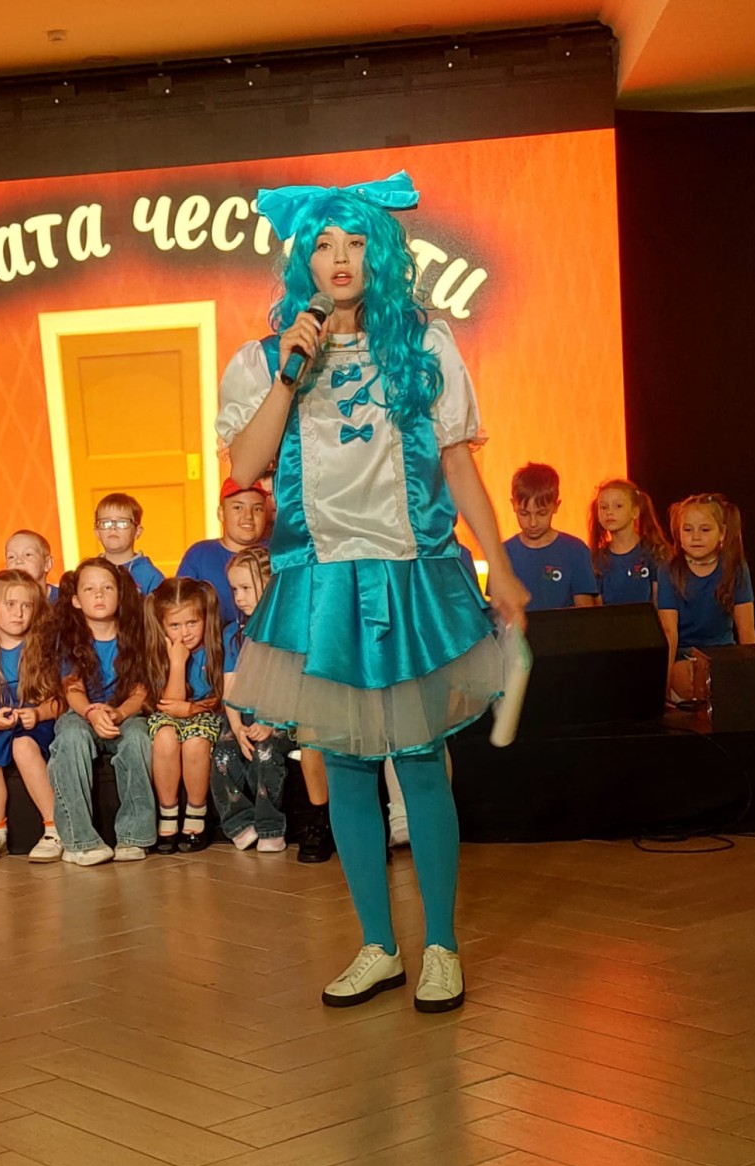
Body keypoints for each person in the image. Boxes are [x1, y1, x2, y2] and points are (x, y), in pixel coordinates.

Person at [217, 173, 528, 1013]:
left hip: (409, 572)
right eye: (324, 244)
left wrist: (499, 564)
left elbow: (457, 461)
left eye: (356, 242)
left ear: (379, 254)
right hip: (321, 584)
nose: (341, 258)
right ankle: (378, 946)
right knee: (347, 767)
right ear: (304, 262)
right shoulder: (266, 359)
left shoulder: (424, 344)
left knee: (420, 762)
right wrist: (290, 374)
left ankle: (441, 947)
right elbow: (244, 467)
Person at [48, 558, 153, 866]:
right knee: (70, 737)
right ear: (76, 600)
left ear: (120, 594)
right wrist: (93, 713)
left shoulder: (137, 635)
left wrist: (118, 714)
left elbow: (141, 691)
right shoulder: (69, 638)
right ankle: (79, 841)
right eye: (89, 589)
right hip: (83, 712)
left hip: (125, 710)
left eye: (107, 588)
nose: (99, 594)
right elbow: (72, 689)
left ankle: (134, 836)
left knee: (138, 738)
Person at [0, 571, 63, 863]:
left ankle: (54, 827)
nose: (19, 613)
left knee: (23, 746)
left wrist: (38, 713)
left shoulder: (44, 647)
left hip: (37, 721)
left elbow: (61, 701)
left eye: (26, 606)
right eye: (10, 604)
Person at [212, 548, 295, 852]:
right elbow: (231, 687)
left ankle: (270, 825)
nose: (239, 597)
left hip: (283, 714)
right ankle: (239, 822)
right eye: (234, 589)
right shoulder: (234, 633)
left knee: (265, 753)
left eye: (246, 588)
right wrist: (236, 726)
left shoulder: (287, 631)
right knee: (223, 755)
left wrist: (270, 722)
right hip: (244, 713)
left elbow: (292, 685)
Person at [144, 578, 224, 853]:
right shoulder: (160, 652)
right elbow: (170, 703)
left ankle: (196, 812)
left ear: (205, 619)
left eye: (192, 623)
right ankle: (168, 813)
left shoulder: (216, 647)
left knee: (196, 742)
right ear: (162, 626)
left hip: (206, 714)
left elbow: (220, 698)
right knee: (165, 738)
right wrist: (177, 662)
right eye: (175, 626)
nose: (185, 633)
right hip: (168, 714)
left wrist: (192, 709)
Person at [657, 493, 755, 701]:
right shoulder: (669, 570)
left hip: (723, 654)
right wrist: (662, 687)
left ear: (722, 533)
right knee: (691, 682)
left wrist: (754, 681)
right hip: (684, 655)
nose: (695, 537)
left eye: (705, 530)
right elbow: (668, 631)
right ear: (679, 533)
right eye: (688, 530)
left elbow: (746, 630)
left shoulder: (736, 568)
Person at [502, 463, 597, 609]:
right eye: (524, 513)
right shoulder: (503, 553)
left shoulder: (576, 551)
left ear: (556, 506)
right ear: (513, 505)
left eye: (542, 513)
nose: (533, 523)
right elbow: (498, 611)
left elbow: (584, 611)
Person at [177, 479, 267, 628]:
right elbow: (179, 610)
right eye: (238, 508)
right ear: (221, 513)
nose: (248, 516)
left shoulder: (278, 554)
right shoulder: (199, 555)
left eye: (257, 509)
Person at [587, 478, 671, 606]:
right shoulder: (596, 559)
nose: (609, 512)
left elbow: (660, 604)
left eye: (618, 506)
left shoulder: (655, 552)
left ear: (635, 512)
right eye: (603, 507)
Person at [94, 493, 164, 595]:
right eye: (105, 523)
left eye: (122, 523)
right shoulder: (89, 573)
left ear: (137, 531)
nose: (113, 528)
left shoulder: (150, 575)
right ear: (97, 532)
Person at [4, 529, 59, 603]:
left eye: (28, 554)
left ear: (47, 563)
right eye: (11, 557)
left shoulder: (64, 600)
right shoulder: (1, 602)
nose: (18, 561)